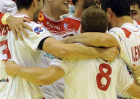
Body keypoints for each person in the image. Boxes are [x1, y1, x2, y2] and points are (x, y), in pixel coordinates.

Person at [0, 0, 118, 99]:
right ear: (37, 0)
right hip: (24, 93)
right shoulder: (29, 26)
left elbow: (109, 40)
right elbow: (62, 51)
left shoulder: (7, 23)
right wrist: (101, 53)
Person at [5, 6, 140, 99]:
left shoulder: (73, 53)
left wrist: (16, 69)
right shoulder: (114, 57)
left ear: (81, 29)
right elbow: (137, 92)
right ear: (106, 28)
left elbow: (46, 77)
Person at [62, 0, 140, 98]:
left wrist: (69, 39)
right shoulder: (138, 27)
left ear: (108, 12)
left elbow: (99, 38)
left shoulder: (119, 33)